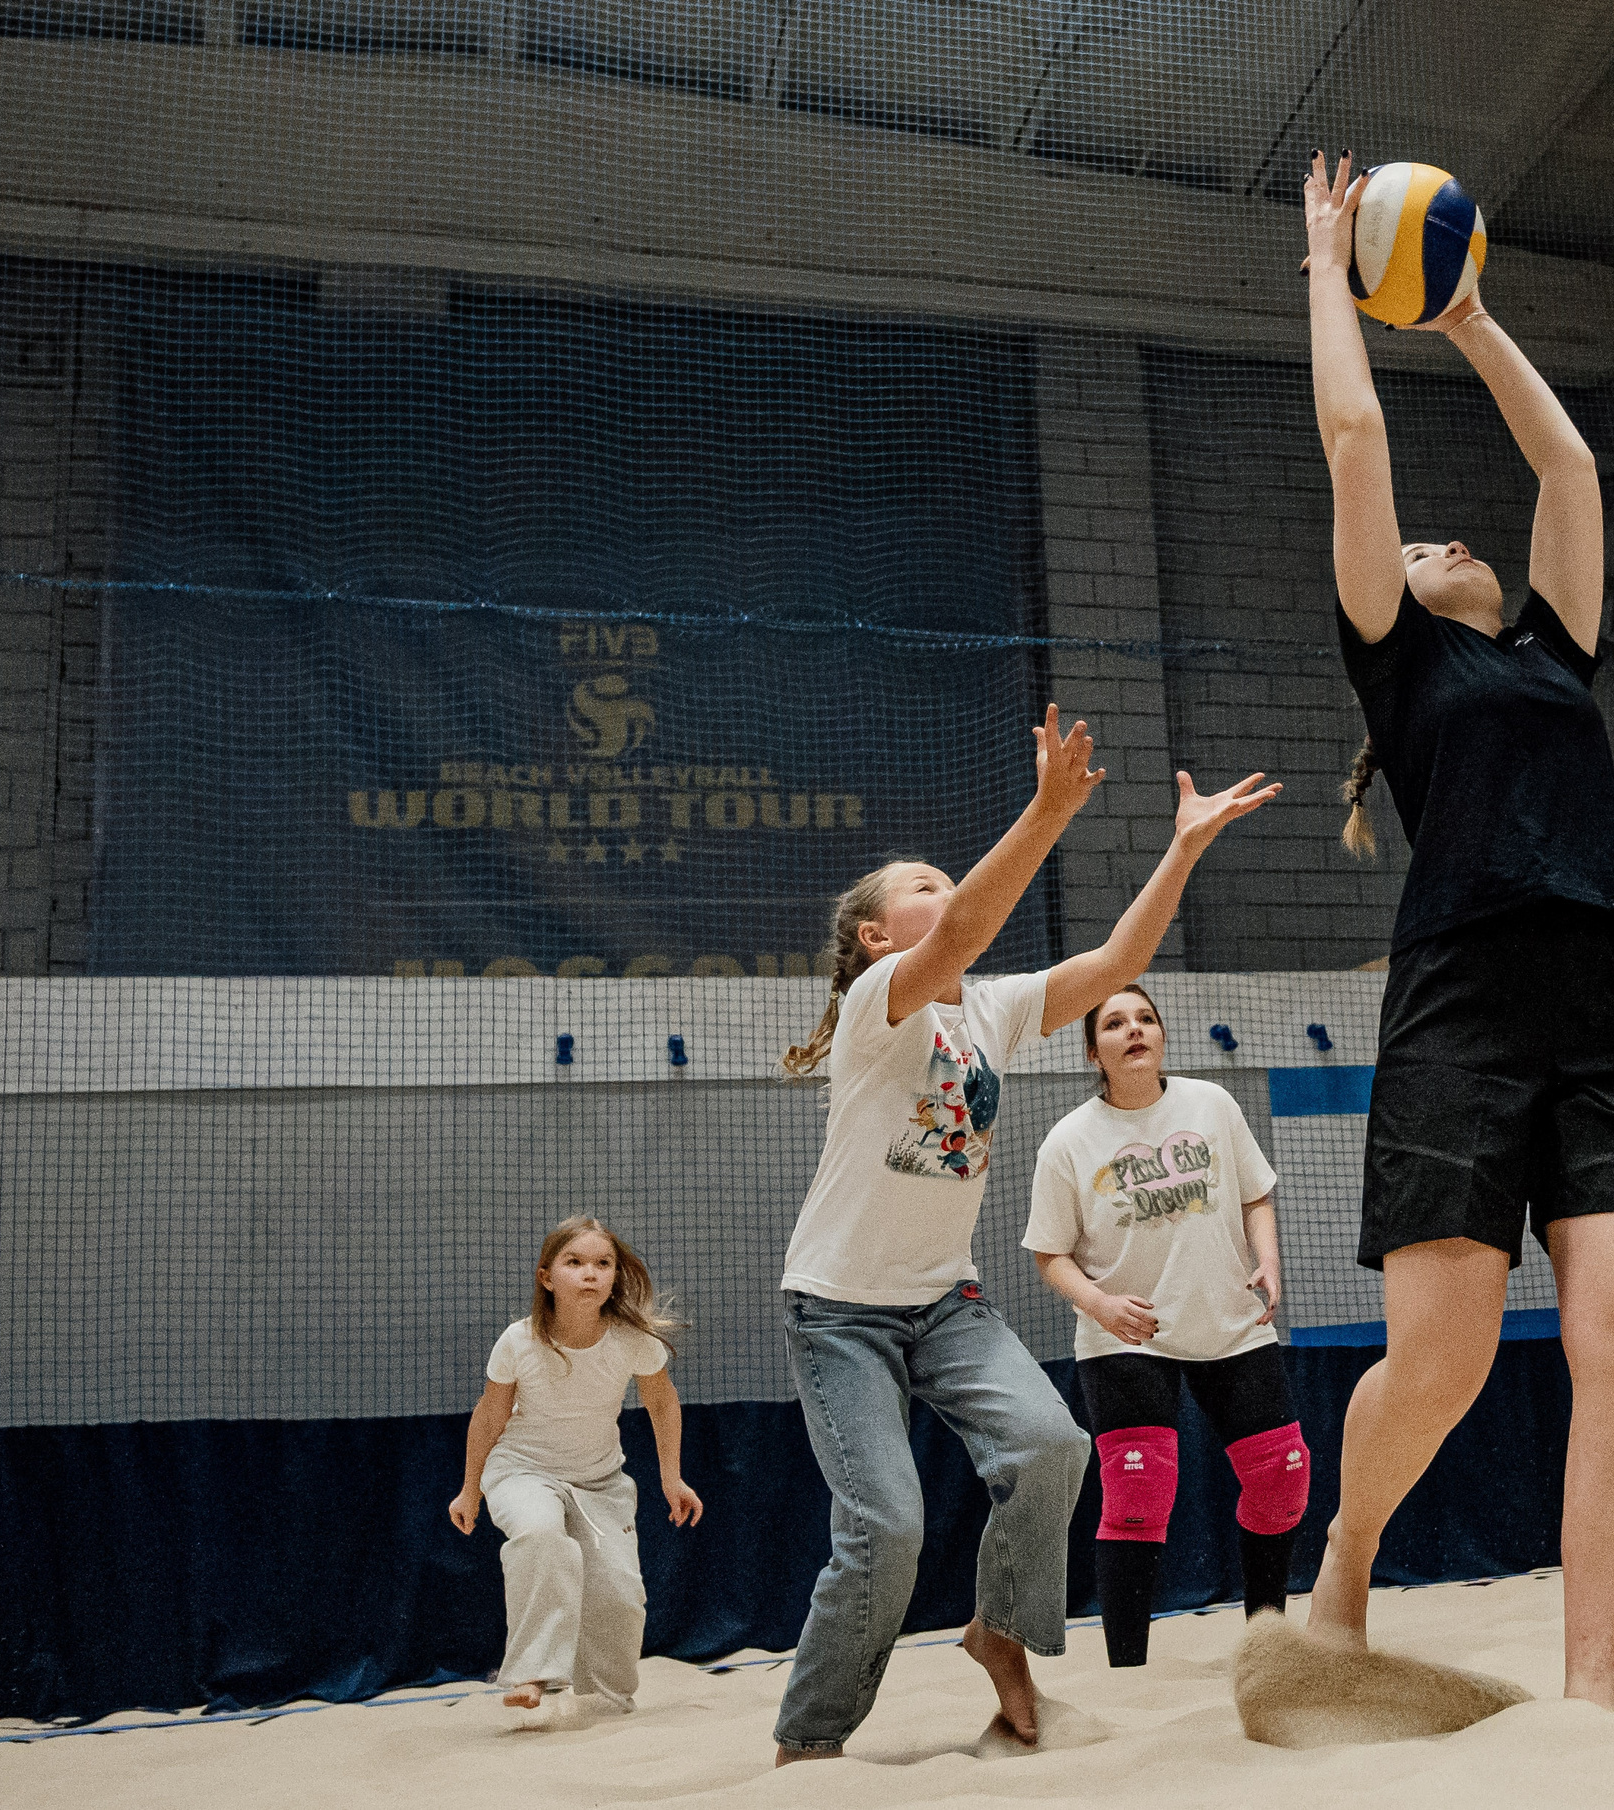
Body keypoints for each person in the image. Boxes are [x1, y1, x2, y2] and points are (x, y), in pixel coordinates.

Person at [1299, 150, 1614, 1707]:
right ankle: (1350, 1549)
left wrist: (1465, 315)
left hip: (1600, 996)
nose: (1438, 534)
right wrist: (1327, 275)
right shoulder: (1398, 662)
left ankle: (1593, 1694)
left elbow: (1574, 472)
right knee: (1447, 1362)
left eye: (1447, 536)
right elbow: (1352, 430)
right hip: (1459, 1003)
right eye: (1415, 541)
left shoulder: (1553, 648)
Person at [772, 708, 1276, 1762]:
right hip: (838, 1312)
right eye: (918, 883)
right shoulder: (880, 1003)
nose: (939, 887)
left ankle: (997, 1631)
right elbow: (962, 932)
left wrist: (1180, 848)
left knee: (1051, 1446)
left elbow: (1120, 958)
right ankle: (809, 1749)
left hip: (945, 1303)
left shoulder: (990, 1012)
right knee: (888, 1531)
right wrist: (1047, 812)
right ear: (873, 937)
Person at [1024, 984, 1306, 1668]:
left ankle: (1265, 1641)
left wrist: (1267, 1262)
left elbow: (1254, 1193)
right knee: (1136, 1500)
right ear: (1095, 1050)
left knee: (1284, 1476)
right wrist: (1099, 1304)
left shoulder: (1212, 1104)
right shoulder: (1069, 1140)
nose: (1134, 1030)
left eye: (1145, 1018)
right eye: (1115, 1023)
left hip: (1231, 1325)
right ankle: (1128, 1669)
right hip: (1127, 1338)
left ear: (1162, 1035)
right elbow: (1048, 1256)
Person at [448, 1216, 703, 1714]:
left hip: (600, 1481)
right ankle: (531, 1674)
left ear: (614, 1276)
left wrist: (671, 1477)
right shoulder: (518, 1341)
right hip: (522, 1471)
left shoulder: (633, 1339)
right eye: (576, 1262)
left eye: (602, 1263)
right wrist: (469, 1488)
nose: (591, 1273)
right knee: (542, 1537)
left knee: (619, 1593)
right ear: (547, 1277)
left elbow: (662, 1402)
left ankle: (607, 1700)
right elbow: (489, 1416)